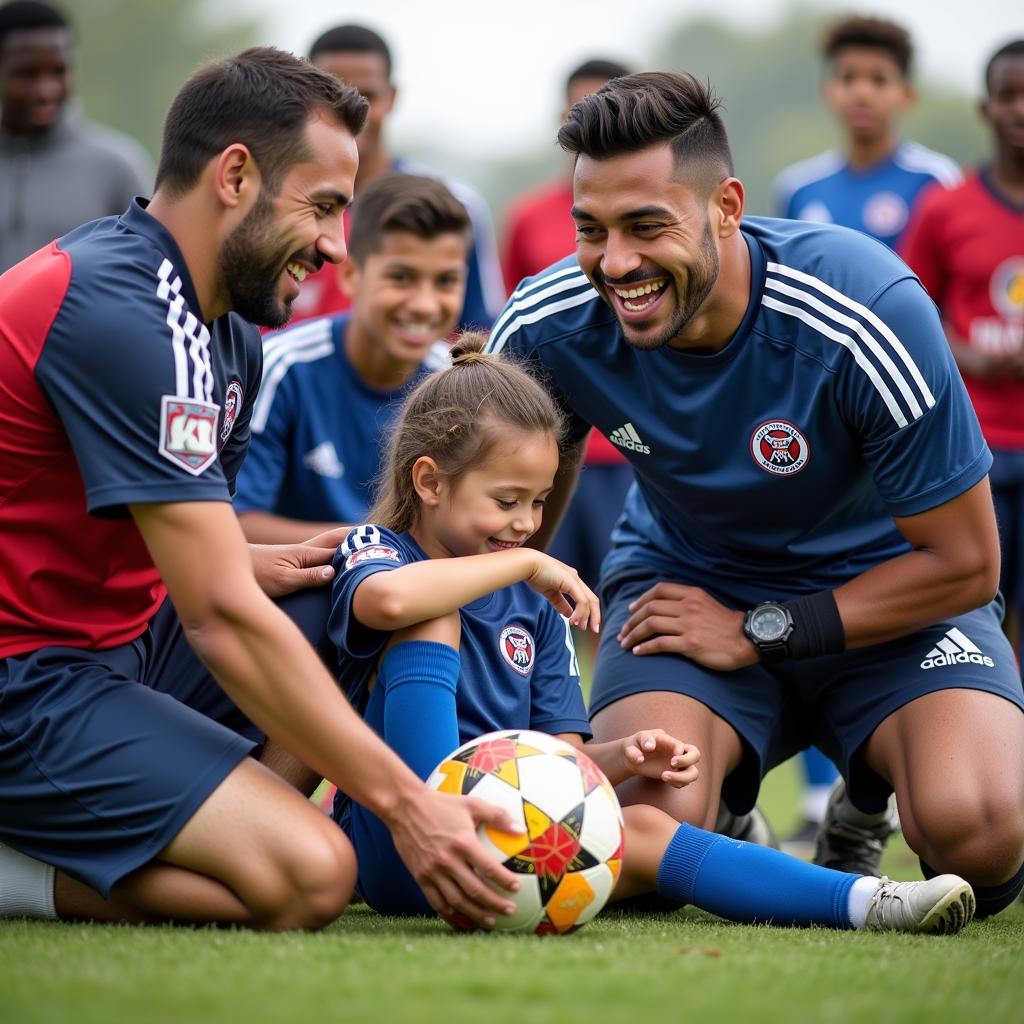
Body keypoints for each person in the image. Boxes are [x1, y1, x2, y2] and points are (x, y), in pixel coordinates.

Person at [0, 47, 525, 931]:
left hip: (118, 650)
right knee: (313, 876)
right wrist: (408, 807)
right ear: (236, 175)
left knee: (363, 600)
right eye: (321, 207)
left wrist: (258, 556)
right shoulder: (122, 310)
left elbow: (174, 551)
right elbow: (220, 617)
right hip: (27, 680)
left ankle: (214, 821)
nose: (333, 245)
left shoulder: (228, 330)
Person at [485, 71, 1024, 921]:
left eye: (646, 226)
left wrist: (757, 631)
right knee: (628, 840)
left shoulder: (864, 308)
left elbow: (966, 566)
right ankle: (732, 813)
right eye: (591, 230)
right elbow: (497, 547)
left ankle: (866, 790)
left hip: (893, 601)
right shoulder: (547, 324)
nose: (614, 262)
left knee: (984, 833)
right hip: (685, 591)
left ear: (727, 206)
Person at [326, 331, 974, 934]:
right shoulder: (378, 549)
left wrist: (627, 753)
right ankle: (444, 822)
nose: (526, 523)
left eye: (539, 501)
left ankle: (867, 901)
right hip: (402, 845)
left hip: (507, 842)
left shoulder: (533, 607)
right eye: (506, 501)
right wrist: (527, 563)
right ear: (429, 481)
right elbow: (386, 601)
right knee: (428, 612)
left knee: (646, 826)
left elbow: (558, 759)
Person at [234, 172, 466, 545]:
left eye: (445, 282)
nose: (424, 305)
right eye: (402, 278)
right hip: (295, 594)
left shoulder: (460, 388)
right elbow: (235, 525)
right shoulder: (282, 368)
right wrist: (376, 545)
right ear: (352, 276)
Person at [900, 39, 1024, 659]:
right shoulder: (947, 208)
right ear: (986, 107)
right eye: (1009, 96)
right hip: (974, 448)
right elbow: (908, 310)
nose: (1021, 110)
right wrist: (968, 357)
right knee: (976, 618)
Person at [501, 58, 635, 623]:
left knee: (610, 612)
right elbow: (515, 326)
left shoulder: (658, 209)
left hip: (622, 451)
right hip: (549, 451)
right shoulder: (528, 216)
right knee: (539, 604)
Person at [287, 23, 504, 331]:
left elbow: (479, 330)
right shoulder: (276, 202)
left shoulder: (452, 204)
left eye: (367, 97)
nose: (351, 112)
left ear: (392, 97)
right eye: (331, 95)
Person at [773, 15, 960, 251]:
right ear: (827, 91)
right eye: (848, 78)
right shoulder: (797, 187)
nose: (862, 93)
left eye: (878, 80)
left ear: (907, 95)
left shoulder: (935, 180)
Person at [0, 0, 153, 273]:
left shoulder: (117, 168)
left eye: (58, 71)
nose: (46, 90)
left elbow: (154, 271)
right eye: (27, 74)